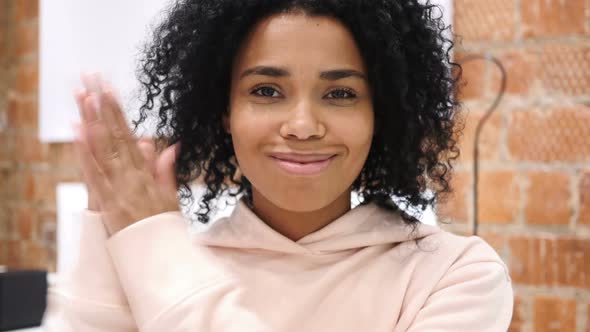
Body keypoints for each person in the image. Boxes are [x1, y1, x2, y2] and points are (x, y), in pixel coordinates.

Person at [42, 0, 514, 331]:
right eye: (266, 91)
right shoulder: (170, 263)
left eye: (341, 93)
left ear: (380, 115)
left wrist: (153, 246)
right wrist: (111, 238)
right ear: (224, 111)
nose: (303, 126)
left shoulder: (455, 276)